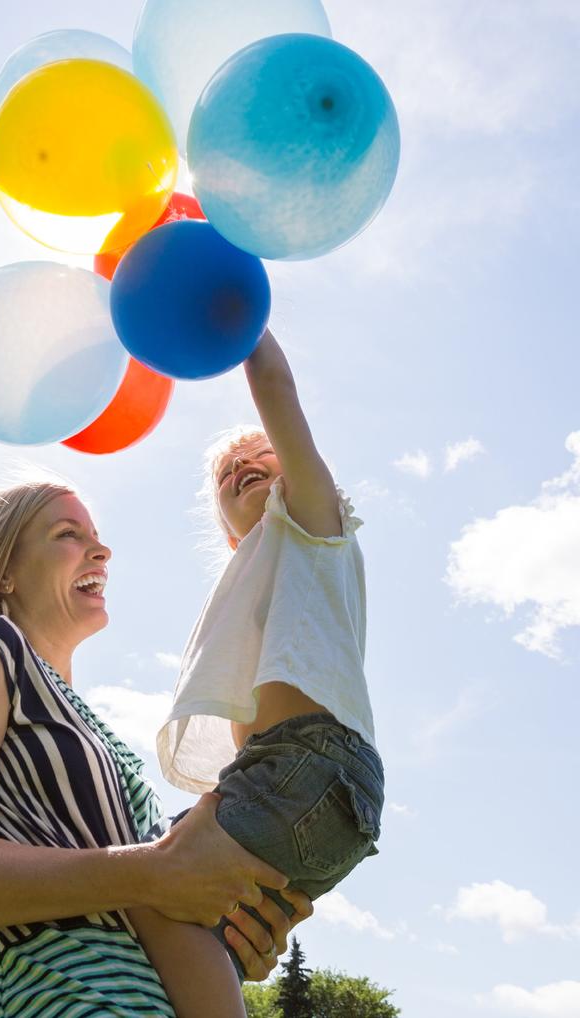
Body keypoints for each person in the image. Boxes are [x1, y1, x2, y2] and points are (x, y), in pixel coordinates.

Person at [0, 480, 312, 1017]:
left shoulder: (90, 730)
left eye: (97, 536)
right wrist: (150, 872)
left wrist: (226, 922)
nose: (102, 550)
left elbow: (137, 900)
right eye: (68, 533)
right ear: (3, 572)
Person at [128, 329, 385, 1017]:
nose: (239, 465)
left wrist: (239, 318)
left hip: (309, 766)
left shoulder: (311, 522)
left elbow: (276, 389)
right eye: (224, 474)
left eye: (257, 456)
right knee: (181, 946)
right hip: (296, 785)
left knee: (142, 883)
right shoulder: (253, 580)